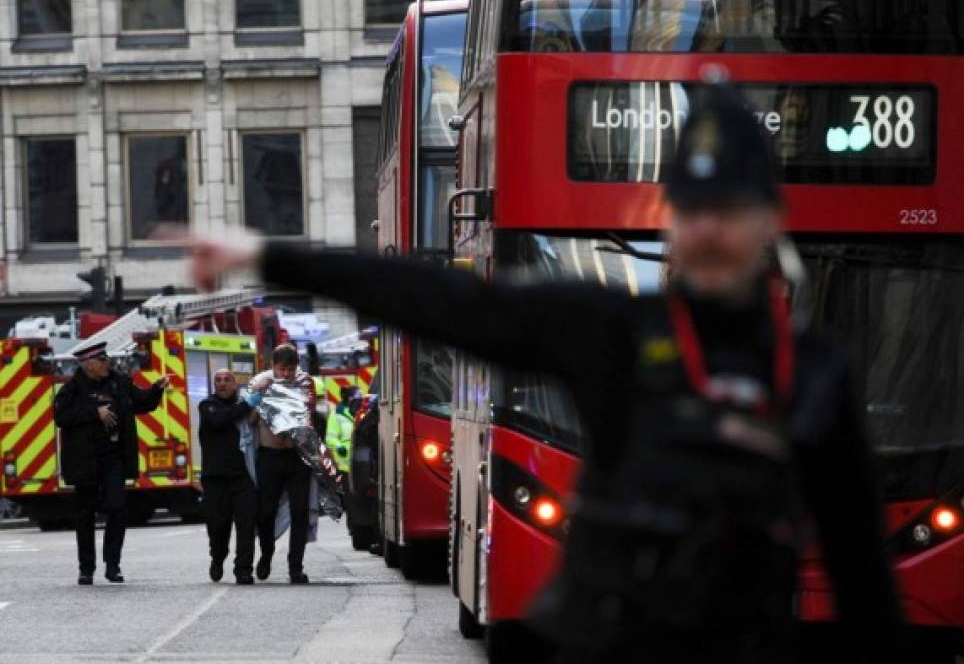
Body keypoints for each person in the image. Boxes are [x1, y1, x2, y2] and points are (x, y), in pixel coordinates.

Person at [189, 87, 904, 662]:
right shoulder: (617, 331)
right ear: (671, 221)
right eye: (693, 210)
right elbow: (446, 302)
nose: (710, 231)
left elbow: (862, 575)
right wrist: (271, 257)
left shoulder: (813, 371)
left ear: (770, 220)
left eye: (731, 210)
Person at [53, 342, 169, 585]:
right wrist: (95, 414)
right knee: (85, 514)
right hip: (85, 460)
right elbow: (61, 417)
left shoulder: (120, 383)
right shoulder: (72, 389)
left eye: (107, 359)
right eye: (103, 360)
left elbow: (143, 403)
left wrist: (156, 389)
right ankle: (86, 568)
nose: (108, 364)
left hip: (113, 457)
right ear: (89, 364)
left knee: (117, 507)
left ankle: (112, 565)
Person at [250, 343, 315, 584]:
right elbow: (249, 420)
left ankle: (295, 567)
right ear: (273, 366)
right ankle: (266, 554)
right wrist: (260, 395)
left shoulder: (305, 382)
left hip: (297, 455)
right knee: (266, 512)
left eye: (291, 369)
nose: (286, 374)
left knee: (300, 512)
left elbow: (309, 414)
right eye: (282, 369)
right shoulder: (261, 381)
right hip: (270, 455)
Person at [197, 369, 258, 585]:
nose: (222, 384)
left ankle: (243, 570)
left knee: (246, 526)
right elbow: (219, 421)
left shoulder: (244, 406)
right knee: (218, 526)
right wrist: (248, 404)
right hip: (215, 479)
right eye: (218, 380)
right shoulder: (207, 406)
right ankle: (218, 556)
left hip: (242, 478)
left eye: (227, 380)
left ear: (235, 384)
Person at [325, 385, 357, 477]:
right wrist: (339, 447)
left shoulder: (358, 413)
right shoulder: (336, 414)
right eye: (354, 397)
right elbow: (330, 438)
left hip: (358, 462)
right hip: (342, 464)